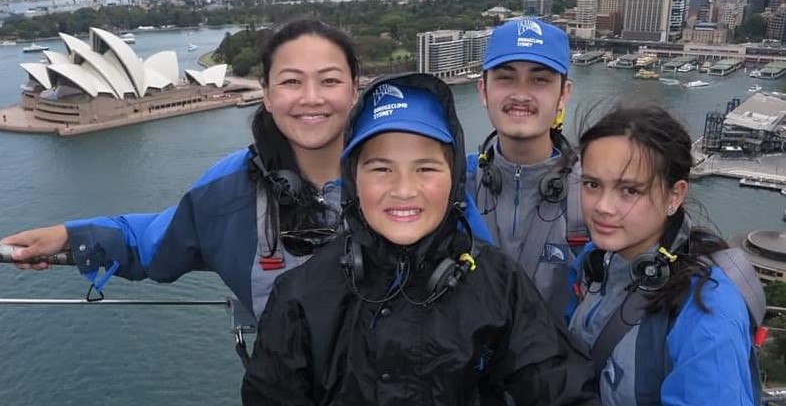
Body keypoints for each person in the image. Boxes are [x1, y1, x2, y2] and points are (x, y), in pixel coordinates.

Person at [242, 73, 599, 406]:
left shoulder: (500, 286)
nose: (403, 190)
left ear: (454, 177)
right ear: (353, 180)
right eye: (381, 168)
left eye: (425, 168)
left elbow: (561, 388)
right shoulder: (301, 296)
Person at [0, 17, 360, 326]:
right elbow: (156, 239)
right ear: (266, 95)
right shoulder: (232, 188)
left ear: (355, 90)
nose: (311, 97)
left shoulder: (408, 177)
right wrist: (69, 235)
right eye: (291, 82)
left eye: (329, 80)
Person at [568, 104, 765, 405]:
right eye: (592, 185)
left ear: (675, 195)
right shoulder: (599, 260)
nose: (603, 207)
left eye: (629, 191)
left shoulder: (708, 311)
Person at [468, 17, 587, 319]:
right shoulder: (453, 184)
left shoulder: (594, 192)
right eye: (506, 78)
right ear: (483, 90)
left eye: (539, 80)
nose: (521, 94)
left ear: (564, 94)